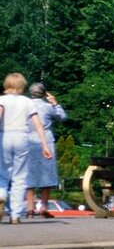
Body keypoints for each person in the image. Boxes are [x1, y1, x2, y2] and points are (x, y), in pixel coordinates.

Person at [0, 73, 52, 224]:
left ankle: (1, 194)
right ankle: (15, 214)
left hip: (4, 136)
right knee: (20, 175)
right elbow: (38, 124)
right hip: (22, 137)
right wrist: (45, 144)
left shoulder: (1, 100)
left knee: (2, 172)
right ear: (22, 86)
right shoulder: (27, 102)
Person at [25, 83, 67, 218]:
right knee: (47, 176)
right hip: (46, 141)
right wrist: (55, 103)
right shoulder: (48, 107)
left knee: (28, 177)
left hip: (28, 140)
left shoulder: (25, 106)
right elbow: (63, 117)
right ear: (44, 94)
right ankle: (43, 207)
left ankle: (30, 209)